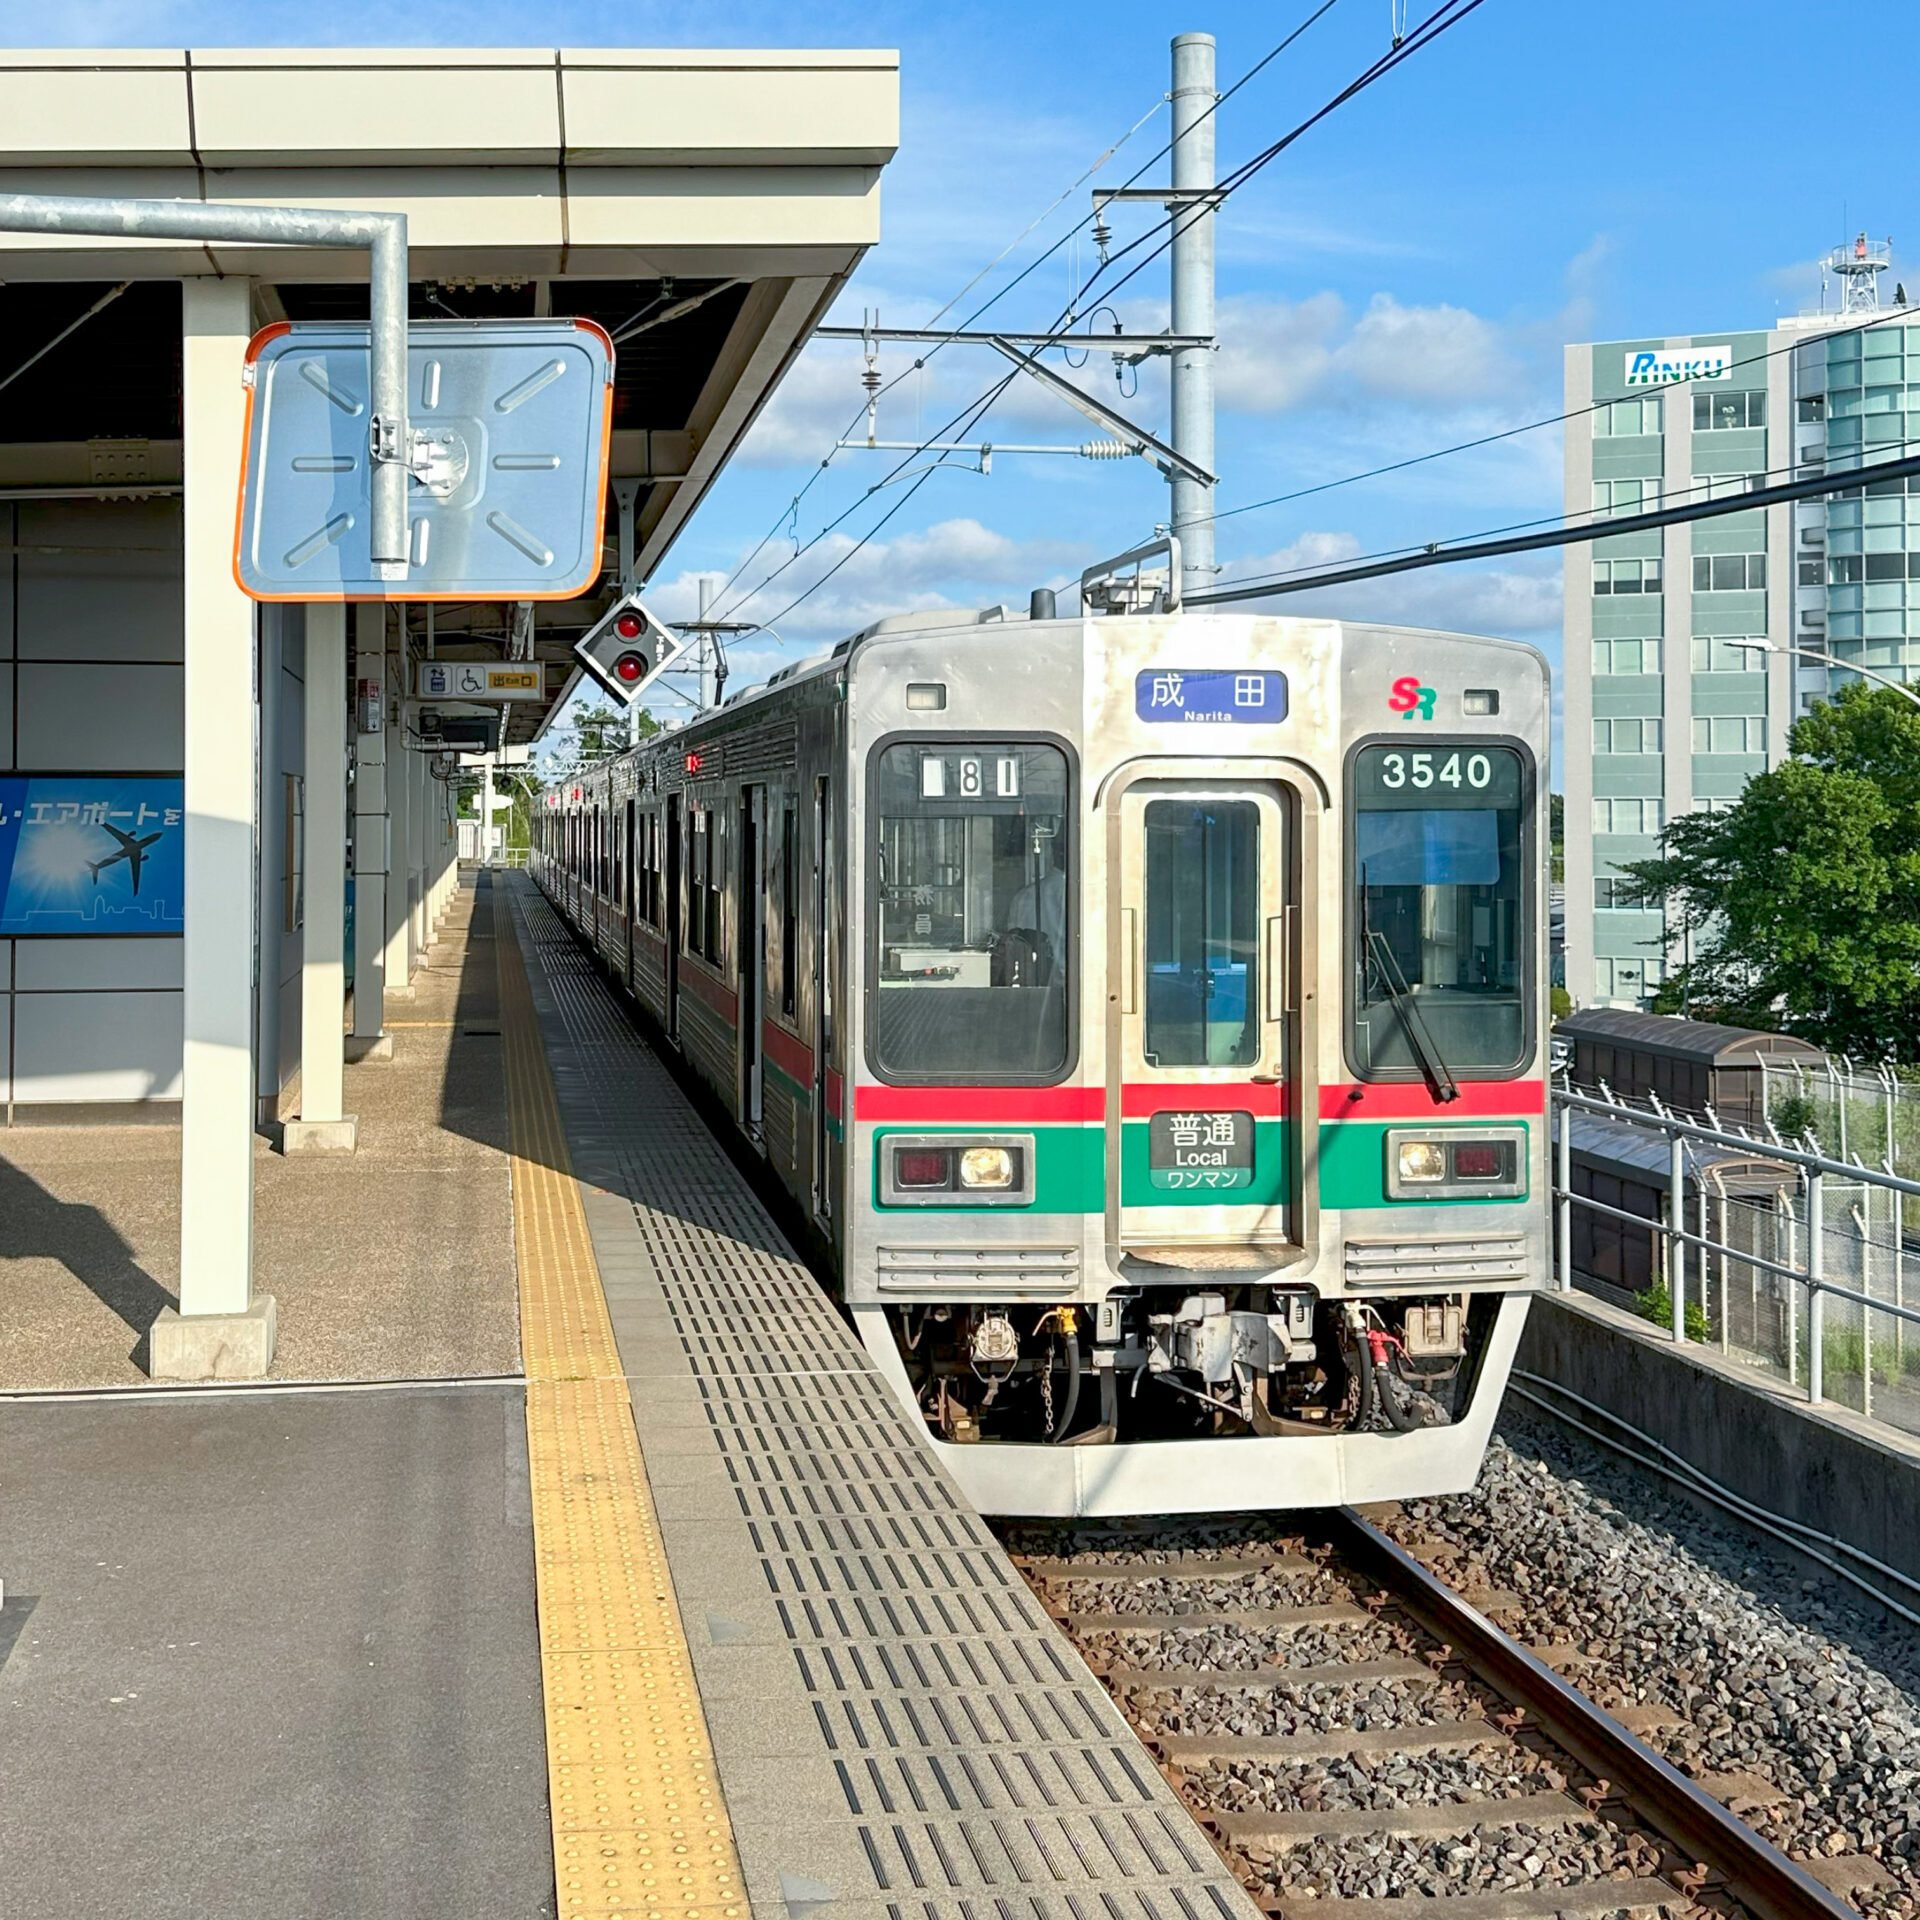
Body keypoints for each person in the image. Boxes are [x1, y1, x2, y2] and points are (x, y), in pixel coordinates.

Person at [1006, 830, 1067, 977]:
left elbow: (1011, 942)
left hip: (1028, 978)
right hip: (1066, 979)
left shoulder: (1022, 896)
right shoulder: (1076, 895)